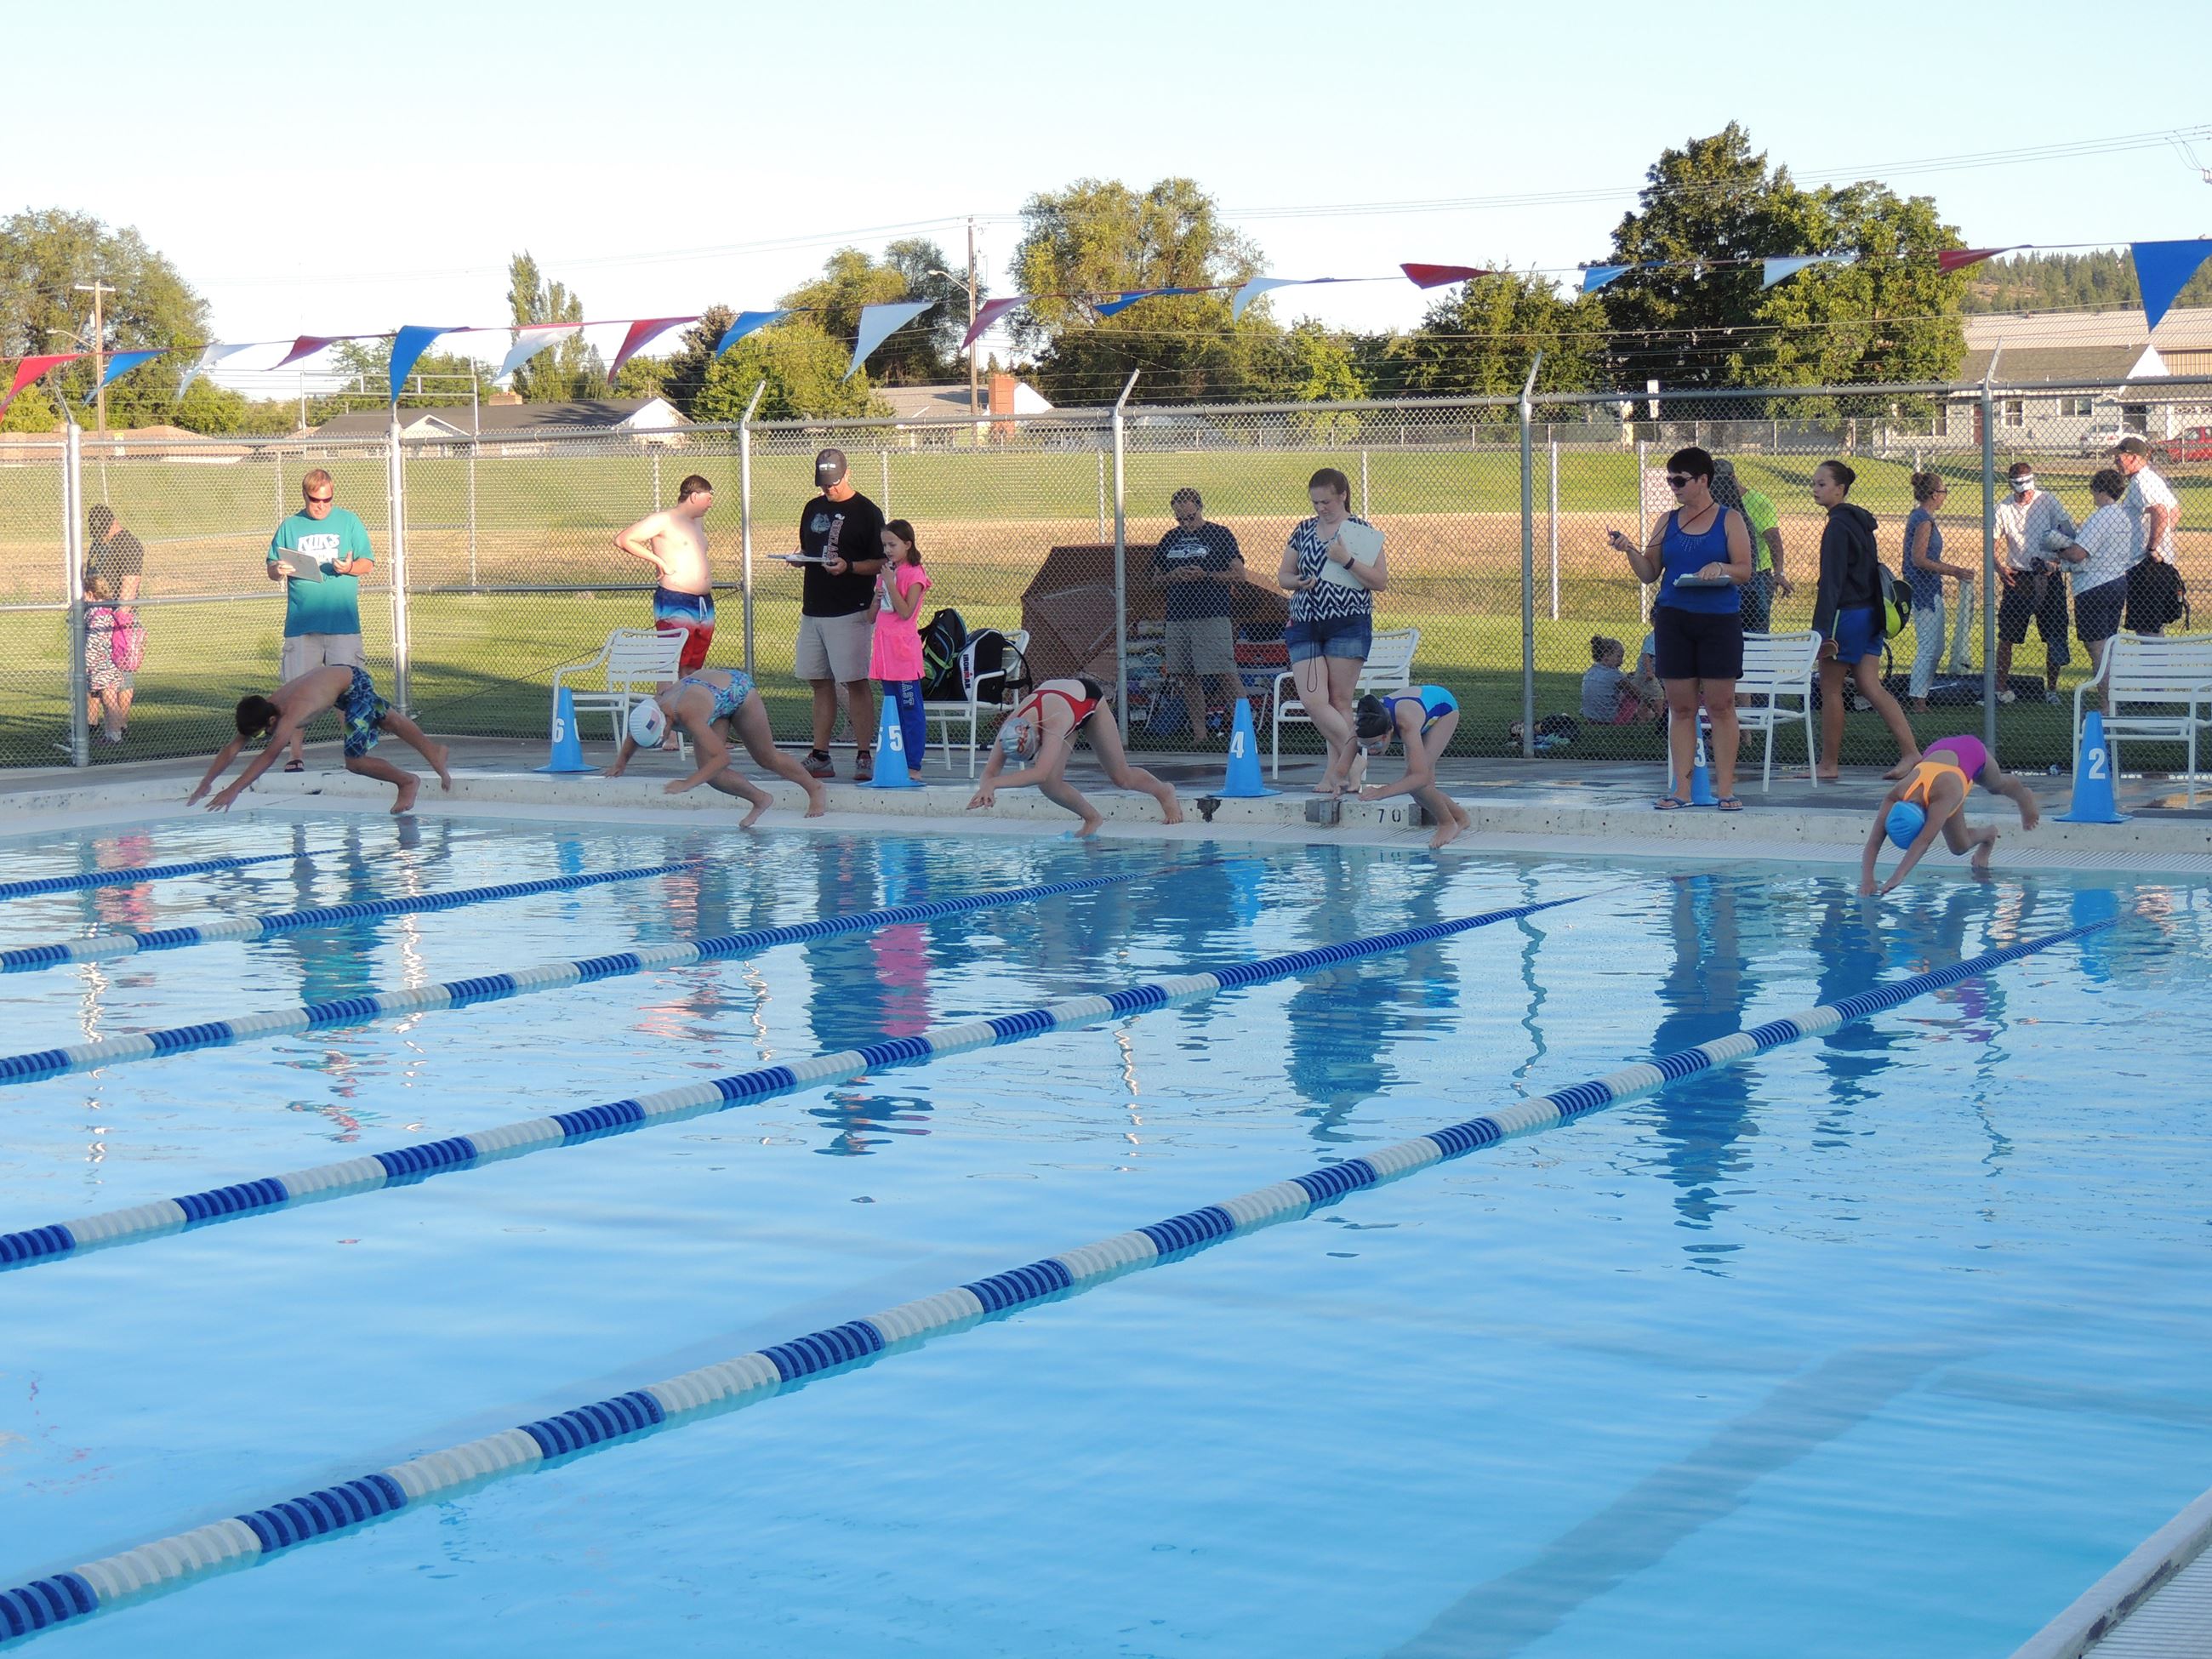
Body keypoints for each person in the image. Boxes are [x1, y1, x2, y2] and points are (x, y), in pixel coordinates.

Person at [1607, 446, 1754, 810]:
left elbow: (1745, 570)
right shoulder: (1667, 521)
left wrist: (1720, 567)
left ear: (1703, 481)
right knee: (1681, 708)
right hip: (1674, 619)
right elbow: (1649, 574)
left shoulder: (1729, 520)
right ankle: (1682, 791)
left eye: (1679, 480)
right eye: (1669, 479)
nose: (1673, 486)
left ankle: (1726, 790)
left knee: (1721, 706)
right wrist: (1629, 550)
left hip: (1719, 620)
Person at [187, 664, 450, 814]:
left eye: (258, 734)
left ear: (270, 722)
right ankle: (433, 751)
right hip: (339, 683)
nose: (258, 738)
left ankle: (407, 782)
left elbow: (267, 757)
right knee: (389, 719)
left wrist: (234, 789)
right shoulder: (264, 710)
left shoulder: (289, 715)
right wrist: (206, 782)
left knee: (355, 761)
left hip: (353, 684)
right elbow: (231, 749)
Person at [1276, 466, 1385, 796]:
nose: (1321, 508)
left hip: (1347, 621)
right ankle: (1354, 763)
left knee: (1339, 701)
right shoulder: (1304, 531)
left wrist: (1347, 560)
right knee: (1313, 700)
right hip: (1306, 620)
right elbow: (1284, 576)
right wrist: (1298, 582)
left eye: (1326, 501)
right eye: (1315, 503)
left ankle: (1335, 775)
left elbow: (1380, 582)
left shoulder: (1362, 533)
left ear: (1343, 496)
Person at [1808, 459, 1919, 783]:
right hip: (1871, 614)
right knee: (1871, 686)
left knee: (1830, 687)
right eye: (1814, 484)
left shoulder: (1838, 527)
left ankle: (1828, 764)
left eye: (1822, 484)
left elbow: (1832, 581)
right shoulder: (1859, 522)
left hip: (1848, 616)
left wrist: (1821, 631)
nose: (1815, 489)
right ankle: (1911, 752)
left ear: (1840, 489)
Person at [602, 667, 826, 826]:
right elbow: (635, 733)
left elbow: (723, 759)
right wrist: (620, 764)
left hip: (737, 691)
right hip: (710, 697)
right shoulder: (651, 710)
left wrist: (688, 783)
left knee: (766, 758)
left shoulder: (689, 715)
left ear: (667, 722)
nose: (661, 744)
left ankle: (814, 788)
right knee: (712, 775)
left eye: (660, 739)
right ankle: (760, 799)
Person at [966, 676, 1182, 836]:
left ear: (1038, 737)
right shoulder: (1009, 728)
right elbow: (990, 771)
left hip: (1087, 701)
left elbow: (1039, 772)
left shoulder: (1053, 723)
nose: (1036, 756)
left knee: (1121, 777)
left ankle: (1164, 791)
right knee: (1051, 785)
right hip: (1061, 701)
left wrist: (994, 784)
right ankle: (1092, 818)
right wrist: (985, 787)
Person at [266, 469, 375, 772]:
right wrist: (279, 569)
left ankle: (355, 754)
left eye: (328, 500)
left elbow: (368, 562)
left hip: (342, 624)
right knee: (297, 694)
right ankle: (295, 754)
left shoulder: (349, 521)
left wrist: (349, 567)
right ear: (306, 496)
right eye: (316, 500)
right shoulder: (290, 526)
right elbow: (271, 567)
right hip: (302, 624)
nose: (322, 506)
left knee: (349, 693)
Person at [791, 448, 887, 780]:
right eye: (823, 483)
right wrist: (799, 558)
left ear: (847, 474)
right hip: (814, 607)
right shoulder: (813, 508)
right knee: (819, 681)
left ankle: (863, 753)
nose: (828, 489)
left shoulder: (866, 511)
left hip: (850, 610)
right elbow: (808, 548)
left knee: (855, 681)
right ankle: (821, 754)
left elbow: (882, 560)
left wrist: (850, 567)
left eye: (832, 483)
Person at [1856, 733, 2038, 896]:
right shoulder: (1895, 796)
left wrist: (1898, 876)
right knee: (1959, 847)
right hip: (1939, 754)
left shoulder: (1943, 796)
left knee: (1997, 786)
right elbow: (1874, 841)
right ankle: (1989, 835)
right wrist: (1867, 880)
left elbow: (1923, 841)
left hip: (1970, 751)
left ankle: (2024, 797)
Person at [1151, 487, 1246, 741]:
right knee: (1186, 675)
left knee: (1223, 671)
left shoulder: (1219, 535)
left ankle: (1244, 732)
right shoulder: (1169, 539)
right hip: (1178, 617)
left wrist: (1205, 575)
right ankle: (1200, 735)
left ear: (1200, 509)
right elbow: (1155, 580)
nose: (1185, 524)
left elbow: (1239, 574)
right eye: (1180, 519)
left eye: (1190, 518)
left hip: (1211, 614)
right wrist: (1172, 576)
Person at [613, 474, 717, 684]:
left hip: (703, 603)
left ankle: (685, 711)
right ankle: (666, 711)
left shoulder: (698, 523)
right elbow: (624, 539)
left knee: (693, 666)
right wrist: (658, 561)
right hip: (675, 600)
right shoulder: (664, 520)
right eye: (708, 498)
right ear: (694, 496)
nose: (711, 504)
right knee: (671, 663)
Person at [1993, 462, 2076, 704]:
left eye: (2028, 488)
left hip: (2048, 576)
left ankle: (2052, 690)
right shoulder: (2003, 508)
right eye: (2020, 489)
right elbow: (1992, 543)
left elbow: (2070, 535)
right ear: (2012, 486)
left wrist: (2057, 562)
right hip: (2018, 577)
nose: (2025, 494)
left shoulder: (2048, 501)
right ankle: (2000, 687)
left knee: (2055, 634)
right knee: (2007, 636)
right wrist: (2000, 568)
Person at [1353, 686, 1470, 850]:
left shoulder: (1405, 724)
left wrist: (1382, 792)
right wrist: (1338, 779)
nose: (1372, 751)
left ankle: (1447, 823)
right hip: (1421, 714)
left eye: (1376, 744)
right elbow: (1346, 752)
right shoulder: (1364, 725)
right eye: (1364, 745)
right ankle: (1460, 818)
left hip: (1444, 711)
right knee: (1419, 791)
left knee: (1418, 784)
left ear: (1390, 732)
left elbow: (1419, 777)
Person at [2055, 468, 2135, 693]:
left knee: (2098, 648)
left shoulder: (2101, 517)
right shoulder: (2122, 516)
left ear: (2100, 490)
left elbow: (2078, 554)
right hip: (2117, 582)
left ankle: (2107, 706)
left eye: (2093, 490)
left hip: (2093, 587)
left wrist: (2059, 549)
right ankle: (2114, 700)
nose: (2092, 496)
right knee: (2109, 646)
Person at [1903, 473, 1976, 709]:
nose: (1945, 496)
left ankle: (1921, 695)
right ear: (1935, 495)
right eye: (1944, 491)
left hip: (1931, 588)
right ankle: (1918, 700)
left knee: (1937, 647)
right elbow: (1919, 559)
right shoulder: (1923, 520)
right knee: (1928, 646)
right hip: (1923, 591)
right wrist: (1954, 570)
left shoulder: (1924, 518)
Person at [871, 519, 932, 782]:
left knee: (910, 711)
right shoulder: (886, 573)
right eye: (885, 545)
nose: (888, 550)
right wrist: (878, 592)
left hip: (903, 656)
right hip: (886, 654)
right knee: (892, 709)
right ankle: (895, 759)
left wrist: (891, 583)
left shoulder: (914, 574)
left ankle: (913, 765)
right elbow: (871, 617)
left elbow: (906, 612)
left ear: (907, 544)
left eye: (893, 544)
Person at [85, 505, 145, 735]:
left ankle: (120, 726)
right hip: (96, 615)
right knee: (94, 672)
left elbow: (130, 584)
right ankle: (91, 725)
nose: (101, 536)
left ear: (113, 522)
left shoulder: (129, 543)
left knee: (121, 676)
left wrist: (121, 620)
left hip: (117, 619)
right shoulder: (99, 543)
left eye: (104, 530)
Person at [2113, 436, 2182, 635]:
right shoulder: (2151, 478)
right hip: (2156, 565)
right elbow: (2175, 511)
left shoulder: (2141, 482)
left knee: (2146, 629)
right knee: (2153, 627)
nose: (2116, 461)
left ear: (2134, 458)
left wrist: (2153, 546)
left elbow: (2161, 511)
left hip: (2147, 565)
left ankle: (2152, 666)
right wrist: (2164, 540)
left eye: (2120, 457)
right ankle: (2156, 665)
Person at [1710, 459, 1788, 630]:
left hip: (1757, 576)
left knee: (1756, 631)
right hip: (1724, 574)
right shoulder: (1712, 504)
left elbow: (1773, 538)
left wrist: (1779, 572)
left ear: (1733, 477)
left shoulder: (1758, 502)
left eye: (1721, 481)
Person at [82, 572, 129, 744]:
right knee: (107, 701)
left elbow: (94, 641)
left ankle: (115, 736)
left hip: (103, 665)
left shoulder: (99, 614)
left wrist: (86, 662)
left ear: (90, 594)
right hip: (105, 664)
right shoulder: (106, 610)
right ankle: (110, 734)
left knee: (110, 702)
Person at [1580, 635, 1662, 725]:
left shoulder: (1591, 670)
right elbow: (1634, 692)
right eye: (1619, 657)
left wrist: (1627, 677)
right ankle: (1648, 716)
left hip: (1590, 717)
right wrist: (1646, 698)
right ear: (1606, 656)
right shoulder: (1615, 675)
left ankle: (1644, 715)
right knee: (1632, 697)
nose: (1622, 661)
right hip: (1610, 719)